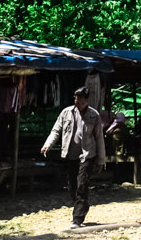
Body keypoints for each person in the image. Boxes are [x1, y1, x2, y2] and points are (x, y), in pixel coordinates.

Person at [41, 87, 108, 226]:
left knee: (82, 186)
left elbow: (99, 138)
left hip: (87, 155)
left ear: (87, 100)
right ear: (74, 98)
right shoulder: (66, 113)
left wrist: (101, 160)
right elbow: (56, 130)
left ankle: (77, 218)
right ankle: (83, 206)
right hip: (70, 155)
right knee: (72, 187)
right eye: (77, 101)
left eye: (82, 102)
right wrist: (48, 144)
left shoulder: (94, 115)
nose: (79, 104)